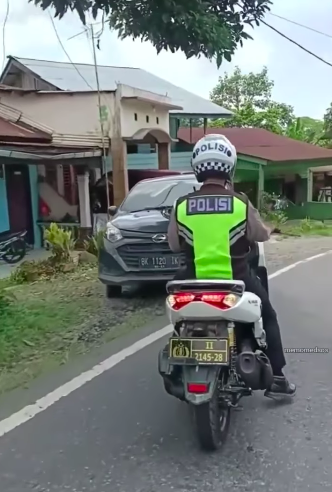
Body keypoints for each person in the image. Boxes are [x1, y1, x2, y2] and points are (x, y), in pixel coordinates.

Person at [167, 133, 296, 399]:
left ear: (197, 167)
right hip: (236, 279)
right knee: (268, 315)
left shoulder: (182, 205)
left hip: (191, 280)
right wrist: (268, 228)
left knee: (179, 319)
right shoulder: (239, 202)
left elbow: (174, 245)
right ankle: (279, 379)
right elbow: (259, 235)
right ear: (229, 166)